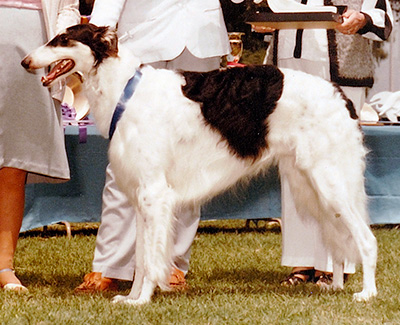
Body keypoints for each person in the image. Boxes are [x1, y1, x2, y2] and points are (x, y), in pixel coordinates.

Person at [74, 0, 231, 293]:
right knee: (128, 159)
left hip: (202, 41)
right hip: (142, 44)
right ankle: (110, 265)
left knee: (189, 160)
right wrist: (95, 36)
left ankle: (172, 264)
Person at [255, 0, 393, 286]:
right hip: (288, 70)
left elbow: (383, 18)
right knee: (293, 166)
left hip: (340, 71)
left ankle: (335, 265)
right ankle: (301, 262)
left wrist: (363, 18)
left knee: (336, 170)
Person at [0, 0, 80, 292]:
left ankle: (4, 266)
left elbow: (68, 6)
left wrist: (61, 48)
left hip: (35, 47)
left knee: (14, 161)